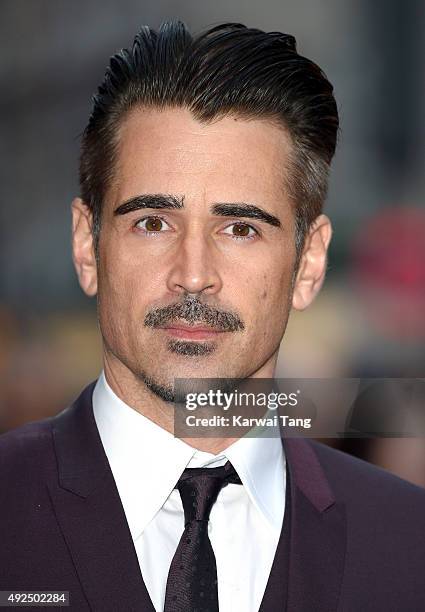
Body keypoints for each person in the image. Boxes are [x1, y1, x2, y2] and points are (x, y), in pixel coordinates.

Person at [1, 20, 424, 612]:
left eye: (241, 228)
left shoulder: (411, 549)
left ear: (308, 263)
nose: (193, 272)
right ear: (85, 245)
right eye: (153, 222)